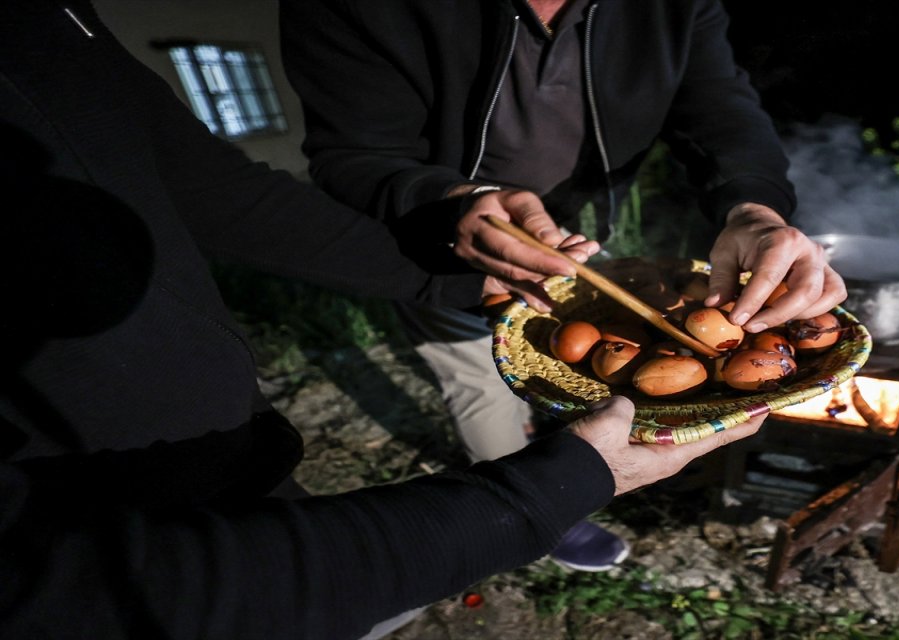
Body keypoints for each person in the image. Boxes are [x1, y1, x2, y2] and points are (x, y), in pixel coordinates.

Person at [0, 2, 765, 638]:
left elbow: (215, 190)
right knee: (477, 402)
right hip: (98, 518)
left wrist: (468, 271)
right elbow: (67, 595)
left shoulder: (52, 20)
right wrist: (532, 501)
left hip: (230, 456)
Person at [280, 0, 847, 571]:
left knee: (572, 379)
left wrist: (754, 206)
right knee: (477, 378)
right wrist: (448, 207)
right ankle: (530, 515)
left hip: (588, 249)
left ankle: (550, 468)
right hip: (439, 248)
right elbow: (351, 154)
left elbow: (719, 105)